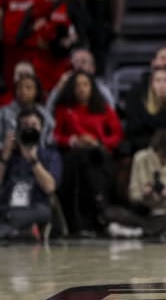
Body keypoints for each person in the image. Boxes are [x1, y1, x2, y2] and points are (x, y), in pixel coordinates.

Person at [0, 108, 61, 240]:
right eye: (25, 126)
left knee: (41, 213)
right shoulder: (10, 154)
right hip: (5, 208)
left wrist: (34, 161)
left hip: (33, 208)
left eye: (34, 125)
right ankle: (14, 233)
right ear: (18, 130)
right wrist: (5, 156)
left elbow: (50, 187)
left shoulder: (50, 155)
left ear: (41, 129)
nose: (29, 129)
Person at [53, 70, 124, 234]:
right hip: (73, 156)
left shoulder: (103, 108)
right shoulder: (64, 109)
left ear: (92, 87)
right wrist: (73, 140)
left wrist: (98, 142)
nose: (81, 88)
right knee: (82, 158)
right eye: (77, 85)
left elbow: (117, 135)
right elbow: (55, 136)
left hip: (99, 154)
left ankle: (93, 214)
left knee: (93, 158)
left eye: (85, 84)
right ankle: (100, 206)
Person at [105, 129, 166, 239]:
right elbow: (133, 195)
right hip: (146, 212)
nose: (165, 158)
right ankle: (156, 229)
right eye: (161, 154)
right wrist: (144, 194)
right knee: (110, 212)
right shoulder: (140, 158)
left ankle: (142, 230)